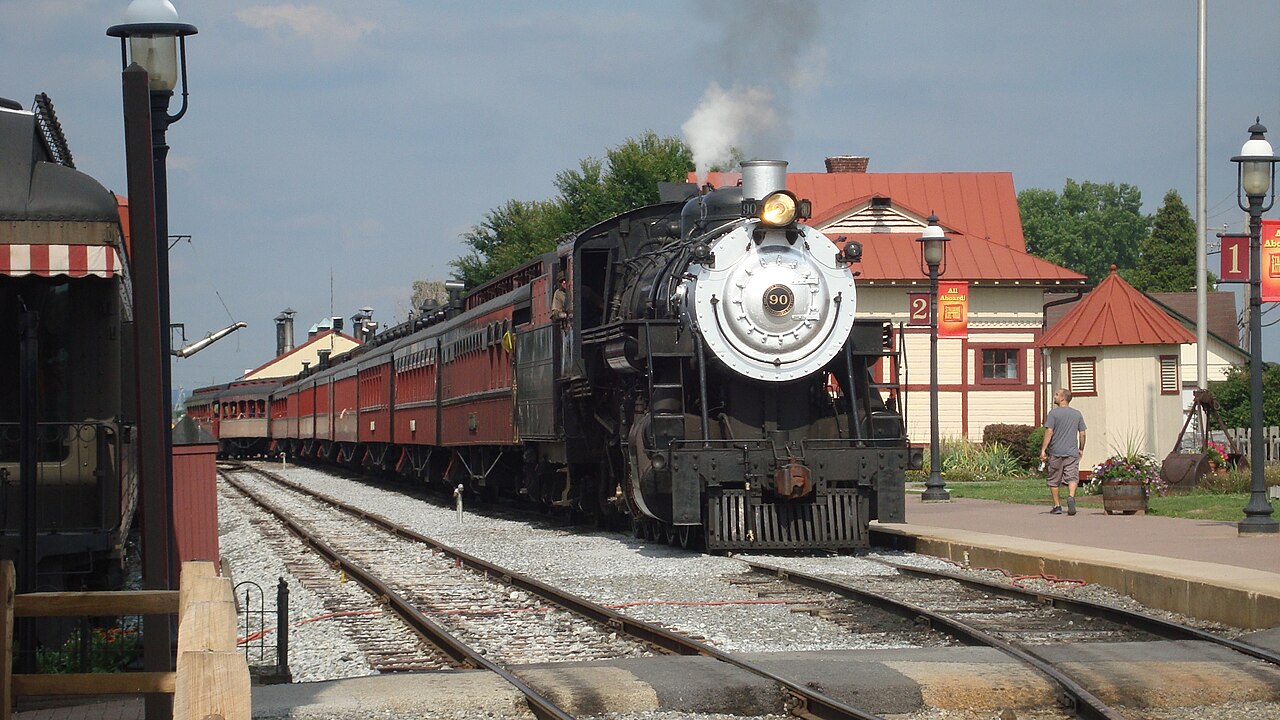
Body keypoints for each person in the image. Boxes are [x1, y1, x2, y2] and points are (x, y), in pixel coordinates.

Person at [1040, 388, 1087, 515]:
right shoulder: (1077, 414)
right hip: (1071, 452)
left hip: (1056, 451)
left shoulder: (1053, 414)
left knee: (1054, 479)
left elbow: (1049, 431)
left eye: (1056, 395)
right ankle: (1071, 496)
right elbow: (1082, 433)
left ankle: (1057, 506)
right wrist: (1081, 448)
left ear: (1062, 398)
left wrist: (1043, 450)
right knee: (1072, 477)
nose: (1054, 397)